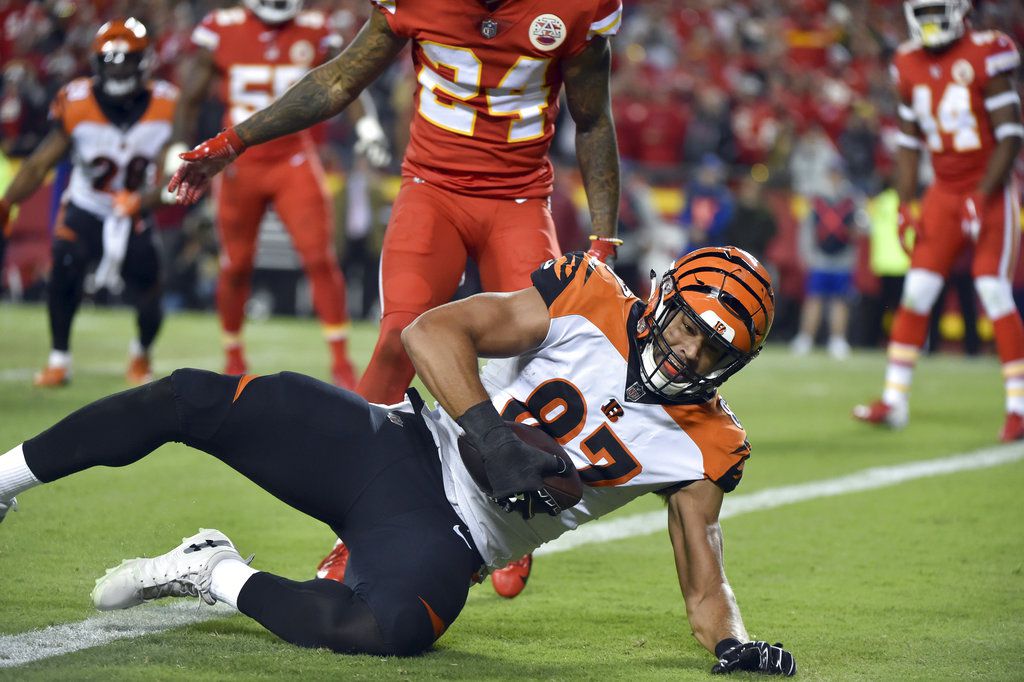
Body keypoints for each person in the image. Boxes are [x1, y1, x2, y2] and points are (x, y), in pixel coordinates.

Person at [0, 247, 795, 676]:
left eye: (714, 346)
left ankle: (209, 571)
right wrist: (491, 436)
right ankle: (4, 480)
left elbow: (704, 584)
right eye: (689, 324)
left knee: (380, 631)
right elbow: (430, 333)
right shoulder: (587, 298)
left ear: (739, 363)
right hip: (396, 443)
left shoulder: (707, 444)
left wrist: (733, 645)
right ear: (664, 300)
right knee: (189, 398)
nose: (689, 349)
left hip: (456, 542)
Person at [169, 0, 625, 598]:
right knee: (396, 339)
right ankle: (354, 527)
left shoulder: (575, 8)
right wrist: (236, 140)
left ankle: (518, 509)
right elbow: (337, 80)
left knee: (534, 353)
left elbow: (591, 120)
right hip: (430, 191)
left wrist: (604, 239)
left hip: (518, 200)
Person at [171, 0, 390, 387]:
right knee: (235, 263)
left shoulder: (315, 27)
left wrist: (367, 125)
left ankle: (341, 362)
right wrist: (176, 145)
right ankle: (233, 355)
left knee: (319, 258)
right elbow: (190, 95)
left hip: (293, 158)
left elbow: (347, 79)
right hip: (237, 165)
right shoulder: (222, 27)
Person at [853, 0, 1024, 440]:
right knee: (917, 291)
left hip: (988, 188)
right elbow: (909, 141)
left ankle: (1018, 406)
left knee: (993, 289)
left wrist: (983, 195)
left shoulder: (987, 52)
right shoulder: (907, 61)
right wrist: (908, 204)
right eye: (923, 11)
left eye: (937, 10)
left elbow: (1010, 135)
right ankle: (894, 401)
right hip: (943, 193)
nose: (930, 21)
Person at [0, 18, 175, 387]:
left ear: (143, 62)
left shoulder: (167, 104)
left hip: (136, 210)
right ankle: (58, 359)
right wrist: (7, 202)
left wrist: (144, 200)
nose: (119, 69)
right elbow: (40, 162)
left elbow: (171, 175)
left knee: (150, 291)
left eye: (126, 61)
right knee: (64, 266)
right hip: (87, 205)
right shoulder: (77, 102)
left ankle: (141, 354)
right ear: (97, 63)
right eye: (111, 61)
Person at [790, 159, 867, 360]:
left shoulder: (852, 199)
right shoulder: (816, 199)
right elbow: (807, 229)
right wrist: (806, 254)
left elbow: (863, 226)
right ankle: (805, 338)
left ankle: (838, 340)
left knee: (839, 301)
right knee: (813, 299)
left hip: (843, 257)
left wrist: (857, 232)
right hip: (820, 257)